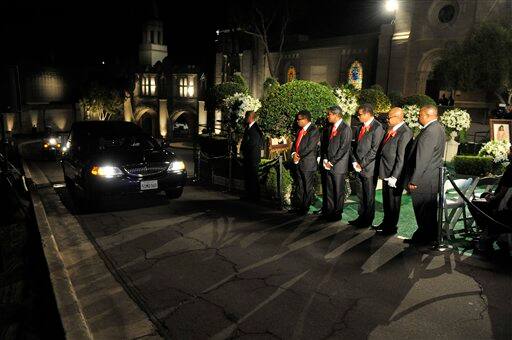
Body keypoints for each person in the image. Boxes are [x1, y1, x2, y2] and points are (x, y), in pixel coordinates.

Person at [406, 105, 446, 246]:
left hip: (424, 178)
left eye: (420, 115)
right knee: (428, 212)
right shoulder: (439, 128)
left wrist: (414, 179)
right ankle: (428, 236)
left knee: (423, 211)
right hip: (431, 177)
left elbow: (423, 158)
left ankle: (425, 238)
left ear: (428, 115)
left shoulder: (430, 131)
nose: (418, 117)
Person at [373, 107, 413, 235]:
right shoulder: (392, 129)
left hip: (394, 174)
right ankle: (386, 222)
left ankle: (391, 227)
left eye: (389, 117)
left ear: (398, 117)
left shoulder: (405, 132)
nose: (387, 120)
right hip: (386, 171)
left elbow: (401, 157)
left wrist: (394, 176)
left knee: (393, 203)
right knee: (387, 201)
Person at [349, 103, 385, 228]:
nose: (357, 117)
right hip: (358, 166)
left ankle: (367, 220)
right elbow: (354, 146)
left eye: (359, 114)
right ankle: (361, 217)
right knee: (360, 194)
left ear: (367, 114)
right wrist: (354, 161)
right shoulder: (359, 127)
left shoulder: (377, 127)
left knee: (369, 195)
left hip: (369, 168)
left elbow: (375, 150)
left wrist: (362, 164)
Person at [321, 106, 352, 221]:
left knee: (338, 191)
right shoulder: (330, 127)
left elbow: (344, 148)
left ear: (336, 115)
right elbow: (326, 146)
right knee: (329, 189)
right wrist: (325, 159)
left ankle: (337, 213)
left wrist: (331, 162)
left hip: (338, 166)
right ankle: (328, 211)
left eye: (329, 114)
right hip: (328, 164)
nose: (327, 116)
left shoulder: (345, 128)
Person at [291, 110, 320, 215]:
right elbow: (295, 144)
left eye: (299, 119)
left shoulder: (314, 130)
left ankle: (304, 208)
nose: (297, 121)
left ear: (305, 119)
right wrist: (293, 153)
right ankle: (298, 206)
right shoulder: (300, 130)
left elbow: (310, 147)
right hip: (298, 162)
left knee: (307, 186)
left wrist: (298, 156)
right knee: (300, 185)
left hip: (308, 163)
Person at [240, 111, 263, 201]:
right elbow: (244, 140)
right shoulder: (248, 128)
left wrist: (245, 150)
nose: (245, 118)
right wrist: (242, 150)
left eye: (246, 117)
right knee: (248, 176)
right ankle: (249, 194)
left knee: (253, 176)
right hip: (248, 156)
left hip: (253, 156)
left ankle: (255, 196)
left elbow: (253, 143)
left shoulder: (255, 128)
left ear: (250, 117)